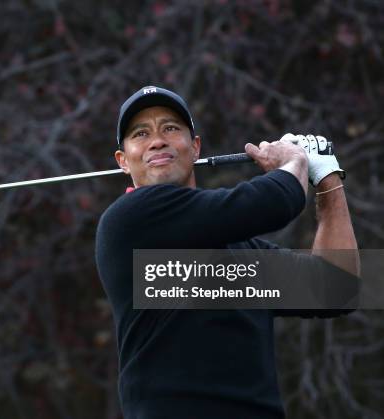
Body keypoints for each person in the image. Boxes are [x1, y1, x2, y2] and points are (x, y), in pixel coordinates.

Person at [95, 86, 360, 419]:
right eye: (141, 133)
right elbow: (277, 200)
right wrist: (294, 161)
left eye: (171, 128)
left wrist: (327, 177)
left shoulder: (241, 254)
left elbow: (337, 288)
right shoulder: (129, 222)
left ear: (195, 148)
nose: (157, 140)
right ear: (123, 160)